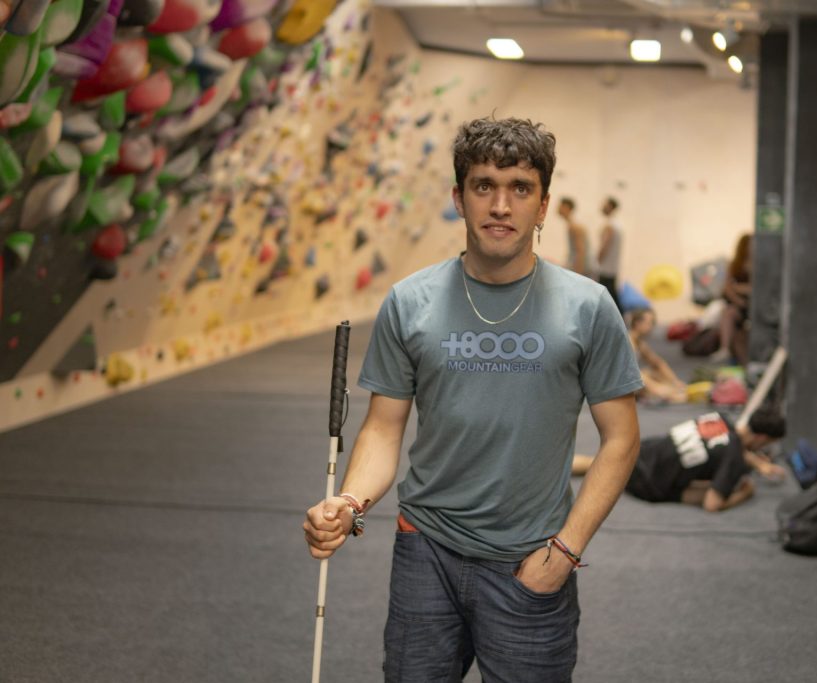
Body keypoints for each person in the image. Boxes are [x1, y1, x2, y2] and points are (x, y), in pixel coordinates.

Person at [303, 117, 643, 682]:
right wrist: (350, 503)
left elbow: (622, 438)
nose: (501, 206)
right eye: (484, 186)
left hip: (531, 559)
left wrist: (564, 552)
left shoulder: (588, 307)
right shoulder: (409, 302)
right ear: (459, 199)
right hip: (426, 551)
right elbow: (383, 428)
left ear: (543, 205)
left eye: (520, 188)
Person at [572, 407, 786, 512]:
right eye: (766, 444)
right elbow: (712, 505)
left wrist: (759, 464)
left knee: (595, 462)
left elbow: (730, 444)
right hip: (647, 483)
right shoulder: (734, 458)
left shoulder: (719, 418)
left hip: (642, 452)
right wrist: (745, 493)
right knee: (717, 490)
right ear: (761, 438)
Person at [628, 307, 688, 404]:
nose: (651, 327)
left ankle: (669, 390)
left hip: (631, 379)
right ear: (637, 323)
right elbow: (630, 373)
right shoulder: (629, 341)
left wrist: (675, 381)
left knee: (652, 373)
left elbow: (657, 363)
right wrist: (660, 388)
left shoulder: (639, 342)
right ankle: (667, 394)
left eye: (653, 323)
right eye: (649, 323)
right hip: (622, 382)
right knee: (641, 375)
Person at [710, 233, 752, 365]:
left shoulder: (760, 263)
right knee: (728, 314)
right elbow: (727, 287)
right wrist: (738, 300)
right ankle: (724, 349)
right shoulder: (735, 264)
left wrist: (739, 288)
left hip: (755, 305)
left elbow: (756, 288)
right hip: (740, 304)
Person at [596, 196, 624, 312]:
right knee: (612, 299)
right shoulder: (617, 224)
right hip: (611, 269)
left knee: (611, 301)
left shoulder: (610, 225)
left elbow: (605, 246)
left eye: (605, 204)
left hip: (606, 270)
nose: (602, 206)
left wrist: (597, 260)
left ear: (610, 207)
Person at [557, 196, 593, 277]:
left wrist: (578, 276)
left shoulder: (574, 227)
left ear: (566, 208)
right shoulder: (571, 226)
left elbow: (580, 252)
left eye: (560, 206)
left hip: (583, 271)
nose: (558, 208)